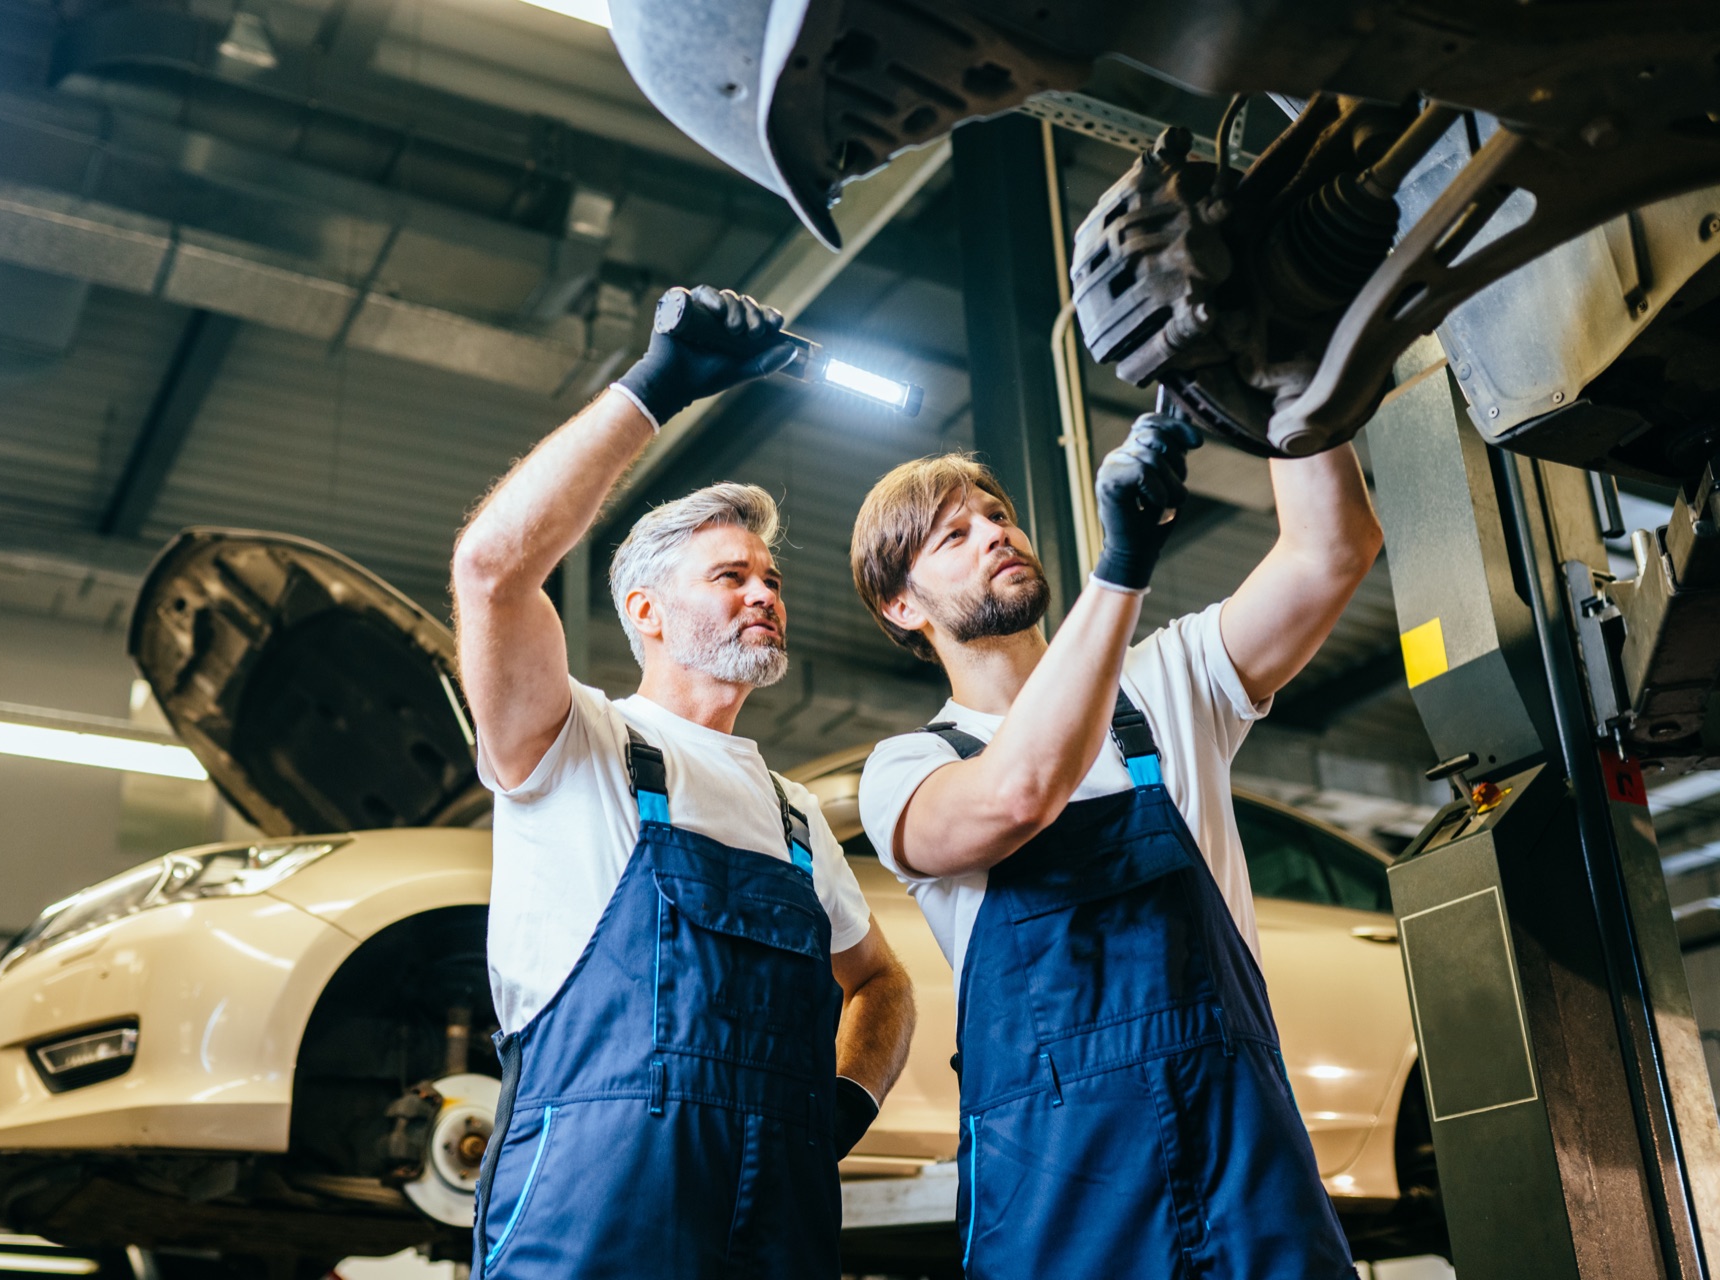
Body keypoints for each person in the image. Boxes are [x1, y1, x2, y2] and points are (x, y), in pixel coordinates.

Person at [450, 285, 915, 1280]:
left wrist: (840, 1106)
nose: (764, 593)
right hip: (595, 1205)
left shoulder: (796, 816)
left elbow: (881, 982)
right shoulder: (576, 745)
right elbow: (492, 569)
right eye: (730, 576)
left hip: (777, 1211)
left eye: (772, 579)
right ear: (646, 612)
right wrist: (657, 386)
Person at [848, 415, 1383, 1278]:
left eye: (998, 515)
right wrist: (1122, 565)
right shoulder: (908, 768)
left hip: (1242, 1156)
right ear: (901, 607)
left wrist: (1295, 399)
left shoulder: (1168, 682)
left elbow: (1333, 551)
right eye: (955, 535)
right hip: (1061, 1193)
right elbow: (1017, 795)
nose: (995, 533)